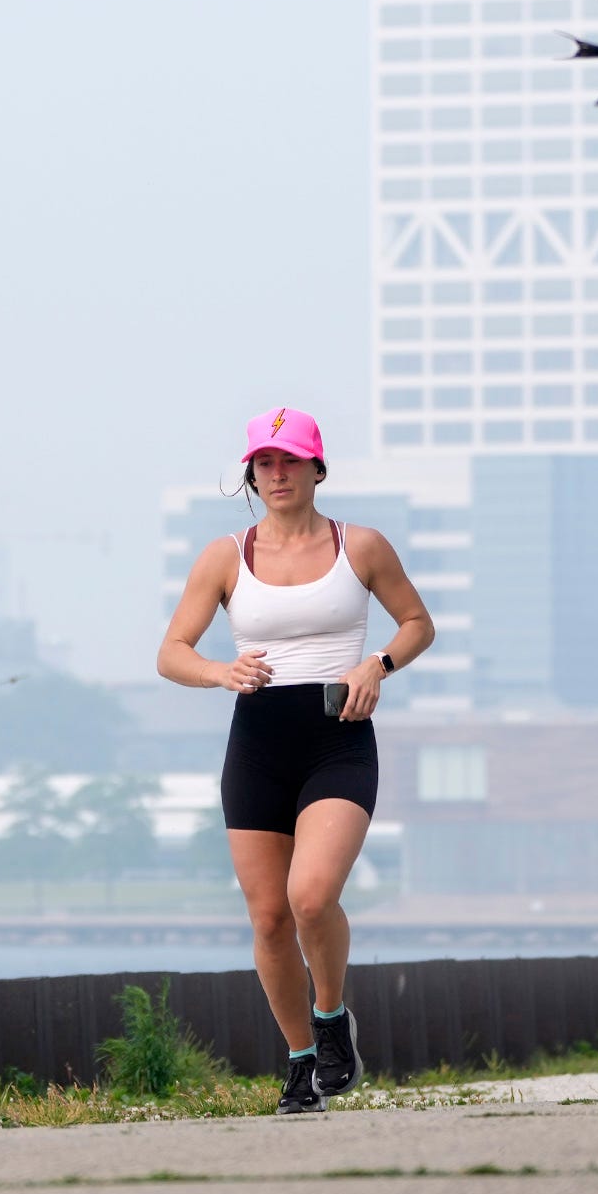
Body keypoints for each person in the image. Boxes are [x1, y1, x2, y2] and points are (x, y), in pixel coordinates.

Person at [157, 407, 435, 1114]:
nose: (276, 474)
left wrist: (378, 664)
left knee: (310, 896)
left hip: (337, 735)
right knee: (270, 919)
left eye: (289, 461)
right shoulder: (225, 556)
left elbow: (418, 623)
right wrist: (220, 673)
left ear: (317, 468)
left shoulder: (361, 546)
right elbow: (171, 653)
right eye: (263, 463)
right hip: (257, 744)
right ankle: (300, 1061)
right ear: (251, 475)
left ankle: (332, 1017)